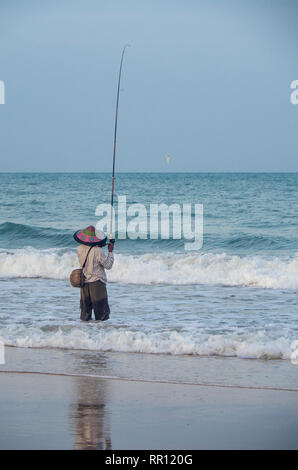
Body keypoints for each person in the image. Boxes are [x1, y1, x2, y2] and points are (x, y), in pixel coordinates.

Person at [73, 225, 114, 321]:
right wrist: (110, 252)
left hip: (84, 281)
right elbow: (108, 265)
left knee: (85, 313)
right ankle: (100, 334)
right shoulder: (98, 251)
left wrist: (98, 246)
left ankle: (87, 332)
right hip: (97, 282)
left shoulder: (79, 248)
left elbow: (90, 253)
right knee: (101, 314)